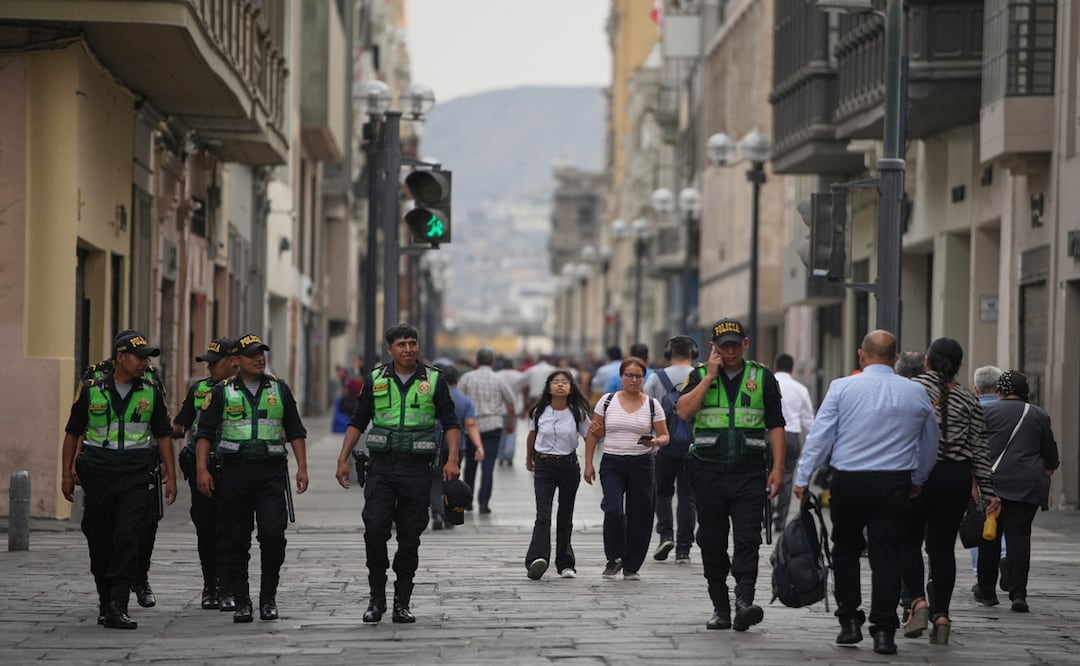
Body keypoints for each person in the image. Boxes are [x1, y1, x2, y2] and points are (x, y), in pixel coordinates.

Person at [794, 330, 939, 655]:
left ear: (862, 355)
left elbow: (821, 437)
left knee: (845, 550)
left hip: (849, 482)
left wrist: (803, 478)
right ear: (895, 357)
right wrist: (918, 476)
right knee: (886, 554)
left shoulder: (842, 387)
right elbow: (931, 444)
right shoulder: (916, 394)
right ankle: (884, 630)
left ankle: (849, 622)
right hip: (894, 483)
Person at [335, 323, 461, 624]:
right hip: (381, 468)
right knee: (375, 531)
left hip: (417, 470)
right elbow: (357, 420)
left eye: (412, 343)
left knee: (409, 536)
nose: (408, 349)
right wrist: (342, 459)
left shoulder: (434, 380)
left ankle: (402, 602)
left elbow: (450, 422)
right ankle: (376, 600)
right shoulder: (376, 379)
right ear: (389, 349)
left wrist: (452, 458)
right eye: (401, 344)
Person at [61, 330, 177, 629]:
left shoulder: (150, 390)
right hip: (99, 472)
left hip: (136, 474)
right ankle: (105, 599)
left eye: (146, 358)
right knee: (100, 539)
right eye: (139, 357)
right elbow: (73, 431)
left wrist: (171, 474)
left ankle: (118, 604)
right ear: (120, 358)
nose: (144, 363)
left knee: (128, 537)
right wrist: (66, 473)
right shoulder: (92, 389)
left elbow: (163, 434)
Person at [675, 319, 785, 632]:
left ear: (746, 343)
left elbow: (776, 424)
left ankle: (744, 601)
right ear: (714, 347)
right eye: (725, 345)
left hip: (750, 473)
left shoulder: (762, 377)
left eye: (736, 344)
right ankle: (720, 607)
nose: (731, 350)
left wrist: (778, 468)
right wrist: (709, 376)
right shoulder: (698, 375)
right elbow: (683, 412)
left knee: (748, 539)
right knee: (712, 543)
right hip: (707, 472)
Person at [194, 333, 309, 623]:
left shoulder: (280, 390)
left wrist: (302, 468)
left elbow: (295, 430)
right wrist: (201, 469)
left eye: (262, 354)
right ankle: (243, 600)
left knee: (272, 536)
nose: (259, 359)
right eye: (252, 355)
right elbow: (204, 434)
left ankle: (268, 598)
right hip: (234, 473)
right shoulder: (221, 392)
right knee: (235, 539)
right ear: (236, 361)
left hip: (270, 474)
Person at [900, 337, 999, 645]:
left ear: (927, 360)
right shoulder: (970, 400)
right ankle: (941, 616)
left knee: (908, 542)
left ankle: (917, 601)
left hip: (916, 475)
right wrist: (988, 490)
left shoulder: (910, 390)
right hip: (954, 478)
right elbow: (980, 449)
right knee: (942, 548)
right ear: (958, 366)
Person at [976, 371, 1059, 613]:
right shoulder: (1038, 414)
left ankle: (987, 591)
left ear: (999, 392)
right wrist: (1049, 467)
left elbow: (977, 447)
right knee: (1019, 537)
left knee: (989, 536)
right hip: (1026, 485)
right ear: (1025, 392)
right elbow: (1050, 452)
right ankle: (1018, 593)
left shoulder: (986, 412)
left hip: (993, 483)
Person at [584, 357, 669, 581]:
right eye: (629, 375)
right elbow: (593, 432)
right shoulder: (607, 400)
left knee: (640, 515)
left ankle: (632, 564)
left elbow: (664, 435)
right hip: (612, 462)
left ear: (644, 378)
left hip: (641, 464)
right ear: (621, 377)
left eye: (638, 376)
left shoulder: (652, 405)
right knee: (613, 509)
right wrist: (588, 464)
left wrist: (655, 441)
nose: (633, 380)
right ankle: (614, 558)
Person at [172, 337, 237, 612]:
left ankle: (228, 587)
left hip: (234, 468)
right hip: (203, 468)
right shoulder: (198, 389)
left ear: (233, 362)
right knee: (206, 530)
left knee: (231, 531)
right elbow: (181, 424)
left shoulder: (244, 389)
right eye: (207, 363)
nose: (209, 368)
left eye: (214, 362)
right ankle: (210, 585)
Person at [524, 369, 592, 580]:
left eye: (565, 382)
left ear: (571, 387)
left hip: (569, 466)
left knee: (565, 515)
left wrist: (589, 463)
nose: (560, 385)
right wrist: (529, 459)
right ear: (549, 387)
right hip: (544, 465)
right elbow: (532, 436)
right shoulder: (539, 411)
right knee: (543, 515)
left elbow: (590, 436)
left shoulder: (577, 413)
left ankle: (565, 563)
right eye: (555, 382)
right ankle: (537, 559)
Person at [643, 335, 698, 564]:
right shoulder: (701, 376)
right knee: (688, 497)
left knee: (663, 493)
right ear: (693, 353)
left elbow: (645, 408)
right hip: (695, 446)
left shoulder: (657, 378)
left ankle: (666, 535)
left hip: (664, 446)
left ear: (668, 354)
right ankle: (684, 549)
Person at [457, 348, 516, 514]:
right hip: (493, 425)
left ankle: (467, 502)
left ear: (477, 361)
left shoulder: (467, 378)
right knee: (488, 466)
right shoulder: (499, 379)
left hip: (471, 427)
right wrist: (510, 422)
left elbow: (459, 401)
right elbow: (510, 403)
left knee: (470, 465)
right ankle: (484, 504)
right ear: (493, 362)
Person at [430, 365, 483, 530]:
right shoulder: (465, 401)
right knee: (451, 480)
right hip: (456, 446)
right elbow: (470, 424)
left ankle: (437, 512)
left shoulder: (431, 396)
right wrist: (479, 446)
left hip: (433, 442)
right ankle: (449, 515)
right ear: (457, 381)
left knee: (435, 480)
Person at [772, 353, 815, 533]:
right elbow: (808, 420)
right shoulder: (800, 389)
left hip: (770, 434)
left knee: (762, 474)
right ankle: (780, 520)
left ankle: (762, 515)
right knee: (787, 477)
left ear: (775, 367)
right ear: (792, 369)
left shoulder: (767, 383)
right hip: (791, 436)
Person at [969, 365, 1004, 577]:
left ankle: (978, 572)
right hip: (1007, 475)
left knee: (978, 521)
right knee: (1007, 521)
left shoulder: (970, 409)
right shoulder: (1015, 409)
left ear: (976, 389)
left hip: (977, 478)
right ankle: (1005, 556)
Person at [496, 356, 526, 467]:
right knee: (512, 433)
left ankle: (500, 456)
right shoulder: (519, 375)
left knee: (501, 434)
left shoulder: (498, 375)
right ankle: (509, 456)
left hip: (500, 408)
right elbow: (523, 391)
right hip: (515, 407)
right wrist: (523, 408)